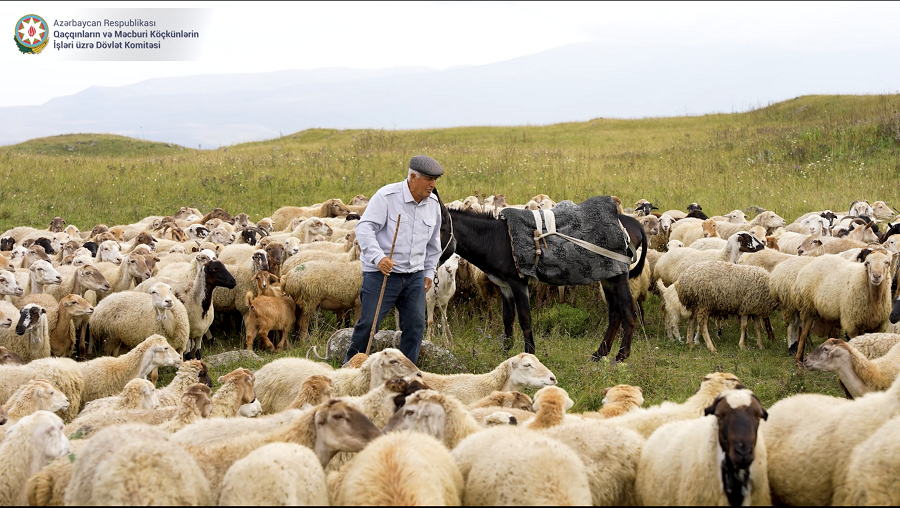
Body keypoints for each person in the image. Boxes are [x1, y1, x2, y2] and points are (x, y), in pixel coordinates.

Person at [343, 155, 444, 365]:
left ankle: (406, 374)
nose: (433, 185)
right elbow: (364, 228)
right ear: (413, 177)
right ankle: (350, 370)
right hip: (382, 274)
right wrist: (379, 258)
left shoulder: (433, 204)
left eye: (435, 180)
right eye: (428, 179)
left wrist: (428, 272)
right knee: (369, 324)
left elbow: (434, 243)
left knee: (416, 325)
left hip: (414, 275)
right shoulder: (387, 196)